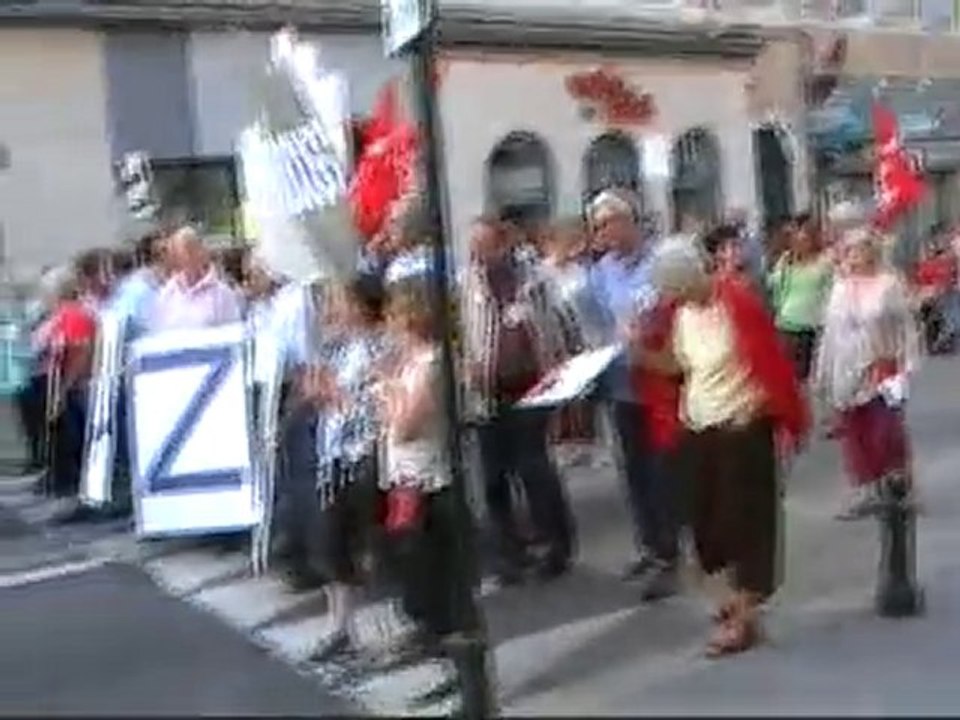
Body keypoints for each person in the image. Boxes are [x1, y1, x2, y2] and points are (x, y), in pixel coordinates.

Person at [638, 235, 808, 658]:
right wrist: (639, 353)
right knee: (707, 525)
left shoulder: (737, 303)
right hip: (699, 429)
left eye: (677, 288)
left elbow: (768, 359)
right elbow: (680, 366)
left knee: (748, 525)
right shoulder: (680, 314)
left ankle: (743, 618)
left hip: (741, 430)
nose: (673, 298)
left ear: (694, 275)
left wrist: (760, 408)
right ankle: (736, 602)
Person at [461, 215, 574, 584]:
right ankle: (506, 552)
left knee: (534, 468)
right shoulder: (467, 284)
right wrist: (467, 367)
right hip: (487, 393)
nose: (479, 255)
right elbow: (462, 332)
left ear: (503, 243)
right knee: (493, 477)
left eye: (486, 246)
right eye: (475, 247)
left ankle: (554, 544)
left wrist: (556, 368)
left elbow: (557, 323)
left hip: (531, 387)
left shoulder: (533, 278)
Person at [587, 189, 679, 597]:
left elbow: (676, 311)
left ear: (630, 221)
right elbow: (598, 322)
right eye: (599, 225)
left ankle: (669, 551)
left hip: (658, 380)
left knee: (662, 469)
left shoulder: (659, 262)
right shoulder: (601, 271)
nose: (604, 232)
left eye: (610, 223)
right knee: (633, 469)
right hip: (621, 381)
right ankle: (648, 544)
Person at [300, 273, 387, 661]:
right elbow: (319, 396)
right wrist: (318, 389)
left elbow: (373, 404)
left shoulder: (378, 346)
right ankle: (339, 627)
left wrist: (338, 395)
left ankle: (373, 626)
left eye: (341, 301)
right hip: (332, 457)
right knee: (329, 544)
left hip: (361, 455)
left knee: (360, 543)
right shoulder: (335, 347)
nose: (334, 310)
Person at [813, 226, 920, 520]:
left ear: (871, 252)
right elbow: (830, 334)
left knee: (885, 429)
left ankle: (898, 485)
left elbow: (906, 327)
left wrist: (907, 363)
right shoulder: (839, 289)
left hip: (881, 365)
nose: (851, 257)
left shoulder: (889, 285)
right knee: (855, 431)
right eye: (848, 251)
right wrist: (822, 372)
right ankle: (865, 489)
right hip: (846, 368)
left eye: (857, 251)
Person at [539, 218, 607, 465]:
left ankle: (587, 442)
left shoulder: (581, 272)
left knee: (585, 393)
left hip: (584, 337)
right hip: (558, 338)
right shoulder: (543, 272)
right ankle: (565, 443)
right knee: (564, 393)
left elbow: (591, 304)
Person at [767, 214, 833, 383]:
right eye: (797, 238)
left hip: (812, 328)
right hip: (786, 326)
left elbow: (831, 291)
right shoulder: (785, 261)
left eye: (805, 238)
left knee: (811, 377)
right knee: (788, 377)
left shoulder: (824, 263)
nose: (800, 242)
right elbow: (776, 289)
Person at [147, 226, 242, 333]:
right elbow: (157, 334)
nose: (184, 258)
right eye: (179, 253)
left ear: (201, 252)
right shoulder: (168, 293)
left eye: (189, 251)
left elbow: (233, 335)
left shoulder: (222, 294)